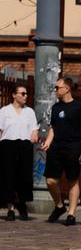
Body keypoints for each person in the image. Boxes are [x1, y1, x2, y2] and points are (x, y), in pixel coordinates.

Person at [39, 76, 81, 226]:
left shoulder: (79, 107)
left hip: (73, 147)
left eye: (57, 88)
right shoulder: (55, 107)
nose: (55, 90)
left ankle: (71, 214)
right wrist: (48, 142)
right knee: (50, 180)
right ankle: (60, 206)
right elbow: (53, 128)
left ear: (66, 89)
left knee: (72, 180)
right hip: (56, 147)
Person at [0, 82, 38, 221]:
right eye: (22, 93)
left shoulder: (30, 112)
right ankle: (10, 208)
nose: (25, 96)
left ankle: (21, 204)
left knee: (24, 177)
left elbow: (34, 129)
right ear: (14, 95)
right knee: (9, 177)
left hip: (24, 145)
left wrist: (34, 135)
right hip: (7, 146)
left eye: (26, 93)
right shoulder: (4, 111)